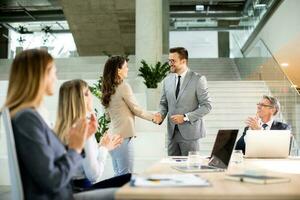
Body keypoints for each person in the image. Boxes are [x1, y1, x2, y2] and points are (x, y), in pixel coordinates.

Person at [4, 49, 115, 200]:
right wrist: (75, 148)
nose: (56, 79)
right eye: (53, 73)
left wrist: (82, 139)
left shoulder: (32, 117)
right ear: (40, 76)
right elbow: (53, 180)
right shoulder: (27, 119)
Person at [54, 79, 131, 190]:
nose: (90, 96)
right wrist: (104, 149)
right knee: (131, 178)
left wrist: (101, 146)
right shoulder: (83, 128)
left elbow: (80, 161)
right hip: (81, 190)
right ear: (76, 101)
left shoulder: (59, 129)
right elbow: (93, 175)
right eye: (86, 94)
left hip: (66, 189)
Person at [101, 56, 159, 176]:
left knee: (118, 175)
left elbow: (107, 116)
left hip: (113, 137)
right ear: (118, 70)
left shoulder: (108, 89)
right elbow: (137, 110)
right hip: (123, 138)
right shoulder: (123, 86)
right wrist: (154, 118)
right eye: (126, 67)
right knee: (125, 176)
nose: (128, 69)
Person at [154, 47, 212, 156]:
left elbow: (207, 106)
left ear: (183, 61)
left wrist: (185, 117)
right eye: (169, 60)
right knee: (172, 169)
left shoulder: (198, 79)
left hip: (190, 134)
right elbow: (163, 103)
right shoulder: (167, 81)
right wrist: (160, 115)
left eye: (173, 61)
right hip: (172, 134)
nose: (170, 63)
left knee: (190, 169)